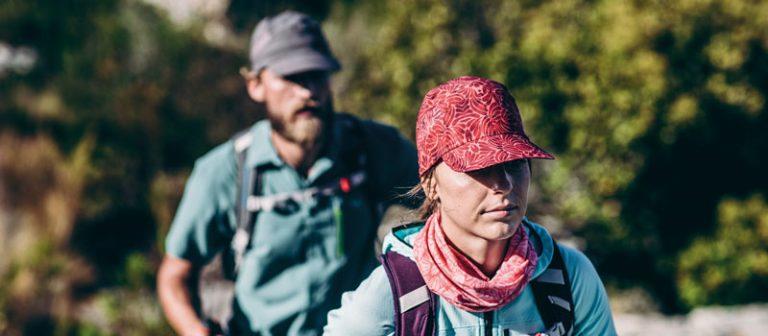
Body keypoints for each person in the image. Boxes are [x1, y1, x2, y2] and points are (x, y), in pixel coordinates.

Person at [157, 11, 419, 336]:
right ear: (255, 85)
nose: (308, 91)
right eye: (292, 77)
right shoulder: (225, 172)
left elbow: (445, 204)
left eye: (317, 75)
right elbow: (174, 277)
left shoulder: (374, 149)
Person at [323, 76, 617, 336]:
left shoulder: (568, 276)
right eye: (479, 167)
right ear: (430, 183)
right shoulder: (396, 291)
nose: (504, 184)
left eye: (514, 163)